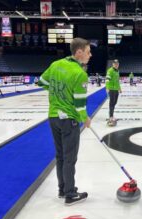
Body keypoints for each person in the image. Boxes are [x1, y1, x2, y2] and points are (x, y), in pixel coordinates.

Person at [38, 38, 92, 206]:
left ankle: (62, 189)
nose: (90, 55)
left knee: (60, 156)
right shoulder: (80, 73)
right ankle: (70, 193)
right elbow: (79, 104)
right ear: (79, 52)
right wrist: (86, 118)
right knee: (70, 158)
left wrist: (58, 95)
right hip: (69, 120)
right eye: (88, 52)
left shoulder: (55, 65)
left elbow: (42, 82)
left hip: (53, 117)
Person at [106, 59, 122, 124]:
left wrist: (119, 88)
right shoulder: (110, 70)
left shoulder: (117, 71)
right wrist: (107, 87)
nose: (116, 65)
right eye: (115, 64)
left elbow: (117, 80)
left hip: (116, 90)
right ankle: (111, 116)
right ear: (113, 64)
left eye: (117, 64)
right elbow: (107, 79)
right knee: (112, 103)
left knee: (115, 102)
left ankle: (111, 114)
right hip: (111, 89)